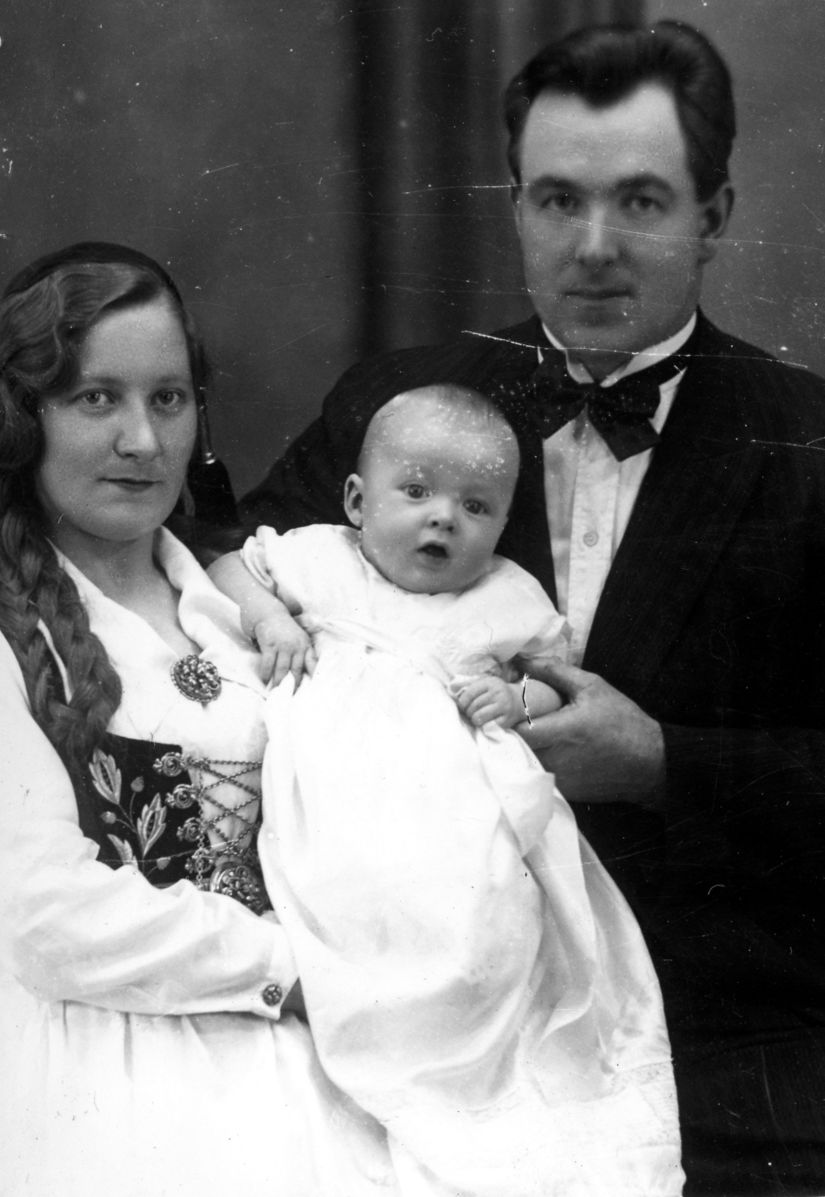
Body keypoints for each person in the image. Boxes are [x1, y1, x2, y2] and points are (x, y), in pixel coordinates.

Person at [238, 20, 825, 1197]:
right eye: (558, 200)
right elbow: (227, 569)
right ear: (514, 206)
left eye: (641, 202)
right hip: (410, 1020)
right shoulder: (399, 408)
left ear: (715, 213)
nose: (593, 247)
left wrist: (664, 763)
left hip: (728, 1045)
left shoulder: (808, 445)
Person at [0, 242, 405, 1197]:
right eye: (96, 398)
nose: (143, 439)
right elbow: (44, 911)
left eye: (169, 398)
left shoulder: (252, 604)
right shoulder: (13, 632)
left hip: (314, 1059)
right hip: (105, 1066)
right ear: (22, 419)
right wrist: (291, 968)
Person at [211, 383, 684, 1196]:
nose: (443, 520)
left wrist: (517, 698)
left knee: (484, 923)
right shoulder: (319, 557)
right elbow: (229, 566)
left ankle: (471, 1084)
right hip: (335, 803)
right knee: (341, 910)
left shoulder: (503, 593)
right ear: (356, 500)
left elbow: (553, 683)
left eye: (475, 506)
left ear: (501, 525)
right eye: (416, 491)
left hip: (453, 816)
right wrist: (270, 619)